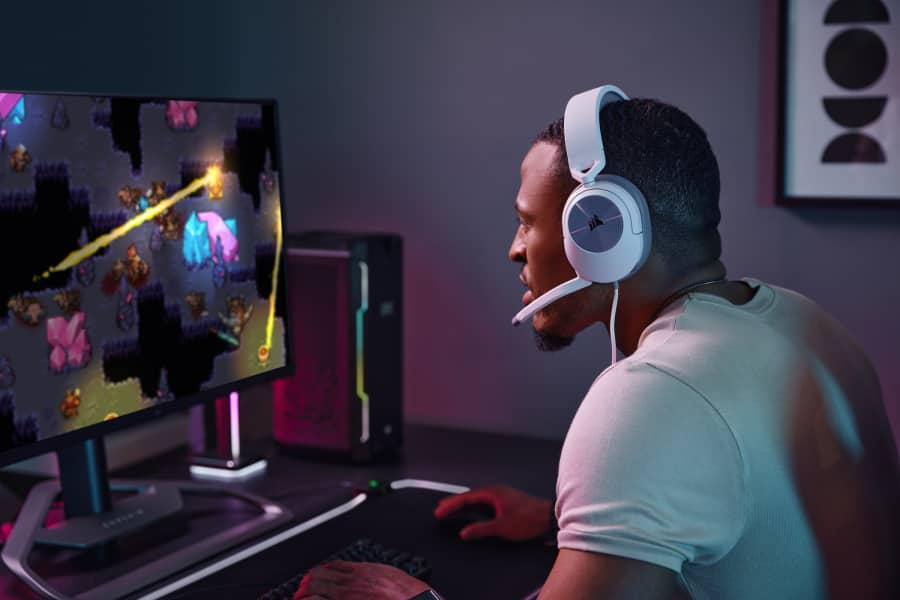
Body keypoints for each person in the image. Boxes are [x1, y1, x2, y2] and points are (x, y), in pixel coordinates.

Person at [295, 95, 900, 599]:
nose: (515, 248)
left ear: (603, 232)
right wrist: (571, 529)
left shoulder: (653, 394)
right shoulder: (804, 320)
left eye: (528, 221)